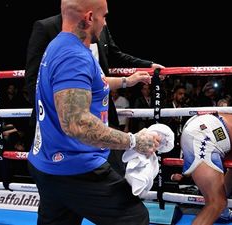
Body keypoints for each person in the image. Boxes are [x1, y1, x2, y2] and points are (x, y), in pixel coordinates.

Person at [27, 0, 161, 224]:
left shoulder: (60, 45)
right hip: (75, 167)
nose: (105, 22)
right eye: (104, 16)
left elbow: (88, 83)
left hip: (48, 163)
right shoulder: (74, 56)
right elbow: (76, 124)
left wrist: (128, 81)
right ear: (89, 18)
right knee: (134, 218)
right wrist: (134, 140)